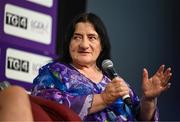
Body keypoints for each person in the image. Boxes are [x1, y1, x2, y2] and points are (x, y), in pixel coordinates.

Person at [31, 12, 172, 121]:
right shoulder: (54, 73)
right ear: (69, 43)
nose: (84, 45)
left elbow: (141, 117)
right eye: (77, 37)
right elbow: (48, 107)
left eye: (92, 37)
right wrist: (103, 98)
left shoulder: (115, 82)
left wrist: (148, 100)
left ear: (102, 45)